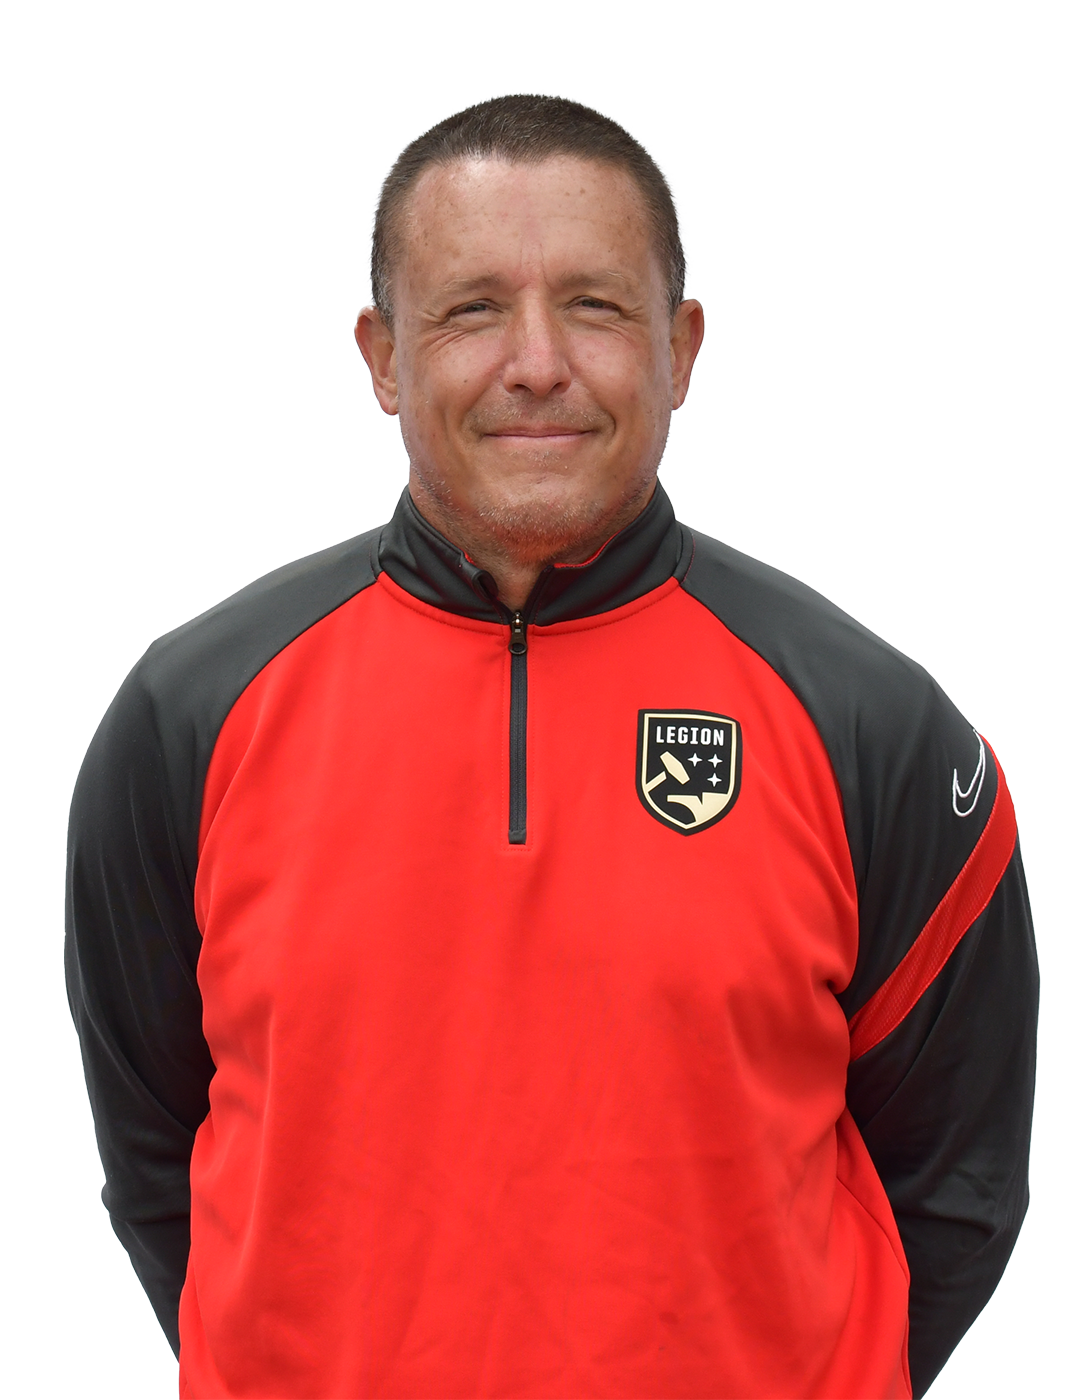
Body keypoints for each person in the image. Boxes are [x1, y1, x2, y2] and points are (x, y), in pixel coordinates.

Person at [66, 93, 1038, 1400]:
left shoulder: (870, 724)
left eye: (594, 305)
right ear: (383, 357)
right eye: (471, 309)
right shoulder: (188, 718)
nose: (536, 363)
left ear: (681, 349)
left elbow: (959, 1180)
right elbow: (155, 1159)